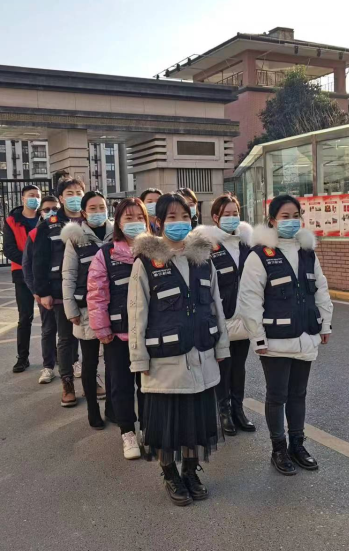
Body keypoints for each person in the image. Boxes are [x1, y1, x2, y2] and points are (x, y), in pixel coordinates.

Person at [129, 192, 229, 506]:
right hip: (165, 361)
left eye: (185, 216)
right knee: (167, 423)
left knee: (195, 420)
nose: (179, 223)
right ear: (158, 222)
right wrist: (138, 359)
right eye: (172, 217)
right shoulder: (145, 263)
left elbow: (216, 306)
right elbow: (137, 314)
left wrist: (222, 345)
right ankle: (170, 473)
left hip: (201, 354)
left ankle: (190, 469)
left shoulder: (203, 259)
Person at [238, 194, 333, 476]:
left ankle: (297, 445)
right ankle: (278, 448)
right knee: (277, 395)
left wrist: (325, 325)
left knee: (298, 395)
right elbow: (250, 299)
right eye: (284, 216)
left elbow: (321, 290)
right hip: (275, 339)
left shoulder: (307, 252)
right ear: (272, 220)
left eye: (295, 216)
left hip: (305, 334)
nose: (291, 221)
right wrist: (257, 337)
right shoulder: (259, 255)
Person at [87, 197, 150, 459]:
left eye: (140, 218)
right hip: (118, 334)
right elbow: (97, 294)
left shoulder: (156, 251)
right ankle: (128, 432)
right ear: (119, 223)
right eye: (128, 218)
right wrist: (102, 329)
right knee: (121, 386)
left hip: (150, 332)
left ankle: (148, 428)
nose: (135, 223)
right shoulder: (105, 254)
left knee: (148, 384)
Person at [200, 193, 255, 436]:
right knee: (224, 365)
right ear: (215, 217)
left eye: (235, 213)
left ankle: (238, 410)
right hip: (220, 318)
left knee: (239, 366)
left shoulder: (247, 244)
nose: (232, 218)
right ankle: (223, 411)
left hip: (244, 317)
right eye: (227, 214)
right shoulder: (207, 246)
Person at [33, 177, 86, 408]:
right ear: (61, 198)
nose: (75, 197)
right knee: (65, 338)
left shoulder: (91, 220)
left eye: (78, 192)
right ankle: (67, 384)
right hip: (60, 290)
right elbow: (39, 261)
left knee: (91, 338)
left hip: (90, 290)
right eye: (69, 193)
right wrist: (43, 292)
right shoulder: (49, 224)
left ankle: (91, 377)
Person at [61, 191, 112, 428]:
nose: (98, 211)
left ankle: (112, 406)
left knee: (113, 362)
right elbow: (69, 275)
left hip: (115, 307)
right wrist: (70, 308)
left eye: (102, 207)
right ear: (83, 212)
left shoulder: (117, 233)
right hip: (86, 309)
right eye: (93, 208)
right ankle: (93, 409)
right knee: (90, 363)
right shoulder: (75, 238)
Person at [3, 185, 43, 374]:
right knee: (25, 317)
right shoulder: (12, 221)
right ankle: (22, 358)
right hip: (22, 274)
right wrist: (30, 263)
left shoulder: (45, 218)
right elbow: (9, 249)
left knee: (50, 317)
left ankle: (54, 355)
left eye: (37, 196)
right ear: (23, 198)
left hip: (44, 274)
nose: (35, 198)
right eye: (31, 195)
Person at [23, 195, 60, 384]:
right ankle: (48, 367)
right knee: (48, 330)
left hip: (65, 290)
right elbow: (28, 266)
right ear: (40, 212)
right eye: (47, 209)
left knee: (70, 331)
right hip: (45, 291)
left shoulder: (68, 229)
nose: (52, 212)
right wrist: (36, 291)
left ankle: (73, 361)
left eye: (55, 208)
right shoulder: (35, 234)